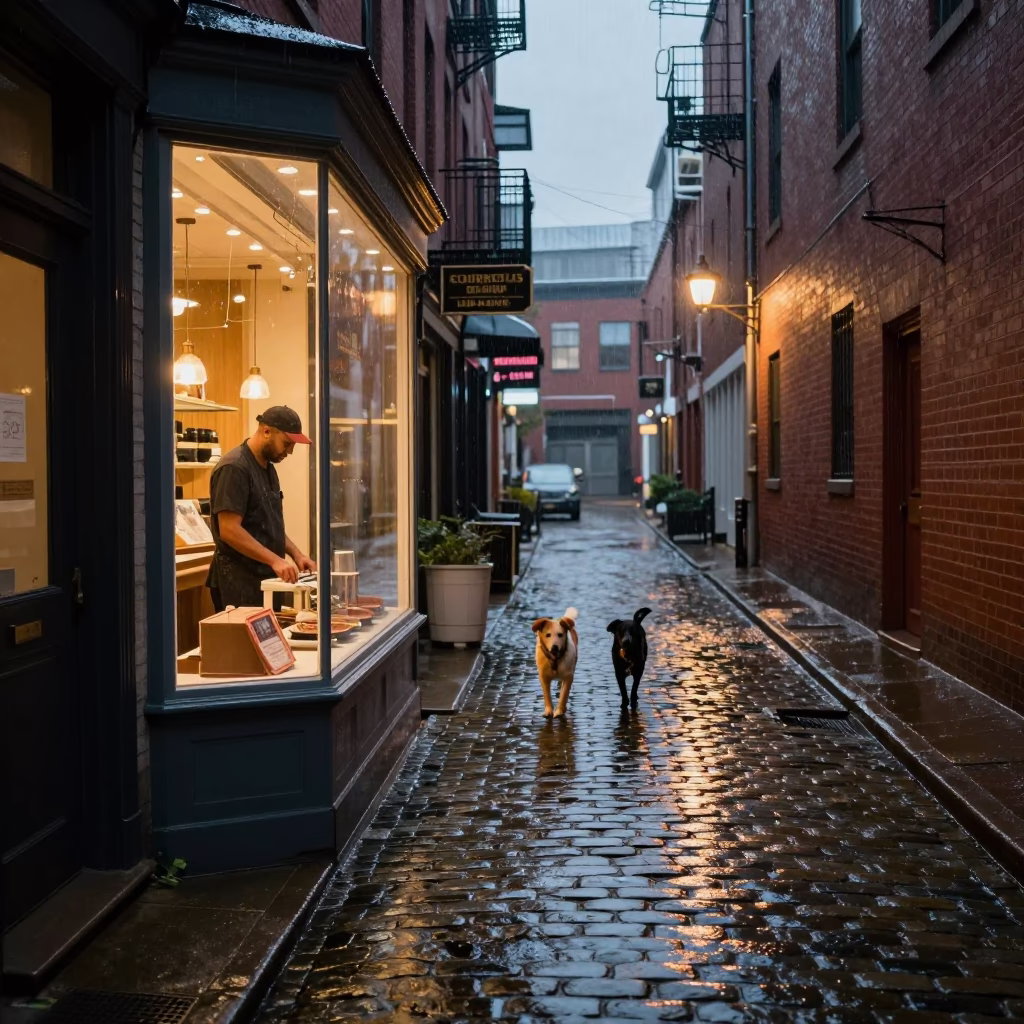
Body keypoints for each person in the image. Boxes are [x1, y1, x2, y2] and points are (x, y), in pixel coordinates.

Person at [206, 406, 316, 611]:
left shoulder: (268, 468)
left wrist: (296, 554)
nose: (290, 451)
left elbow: (269, 525)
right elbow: (229, 530)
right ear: (266, 431)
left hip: (265, 580)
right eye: (287, 443)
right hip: (238, 582)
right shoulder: (234, 468)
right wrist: (275, 560)